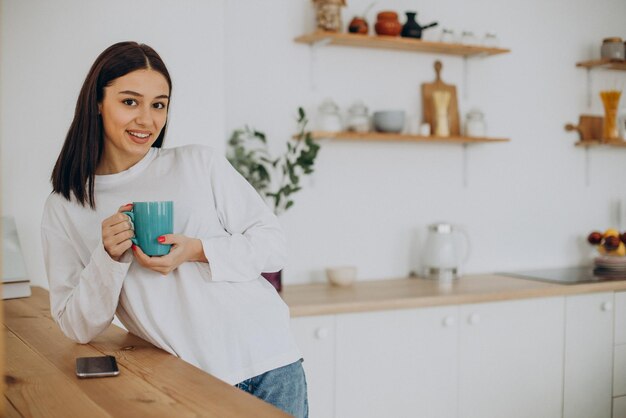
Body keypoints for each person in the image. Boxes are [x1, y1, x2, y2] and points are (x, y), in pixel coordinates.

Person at [41, 41, 308, 417]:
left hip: (271, 363)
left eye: (159, 104)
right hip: (188, 381)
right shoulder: (66, 206)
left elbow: (273, 245)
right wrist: (109, 258)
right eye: (130, 102)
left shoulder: (198, 163)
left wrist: (198, 250)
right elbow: (76, 326)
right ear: (97, 103)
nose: (147, 120)